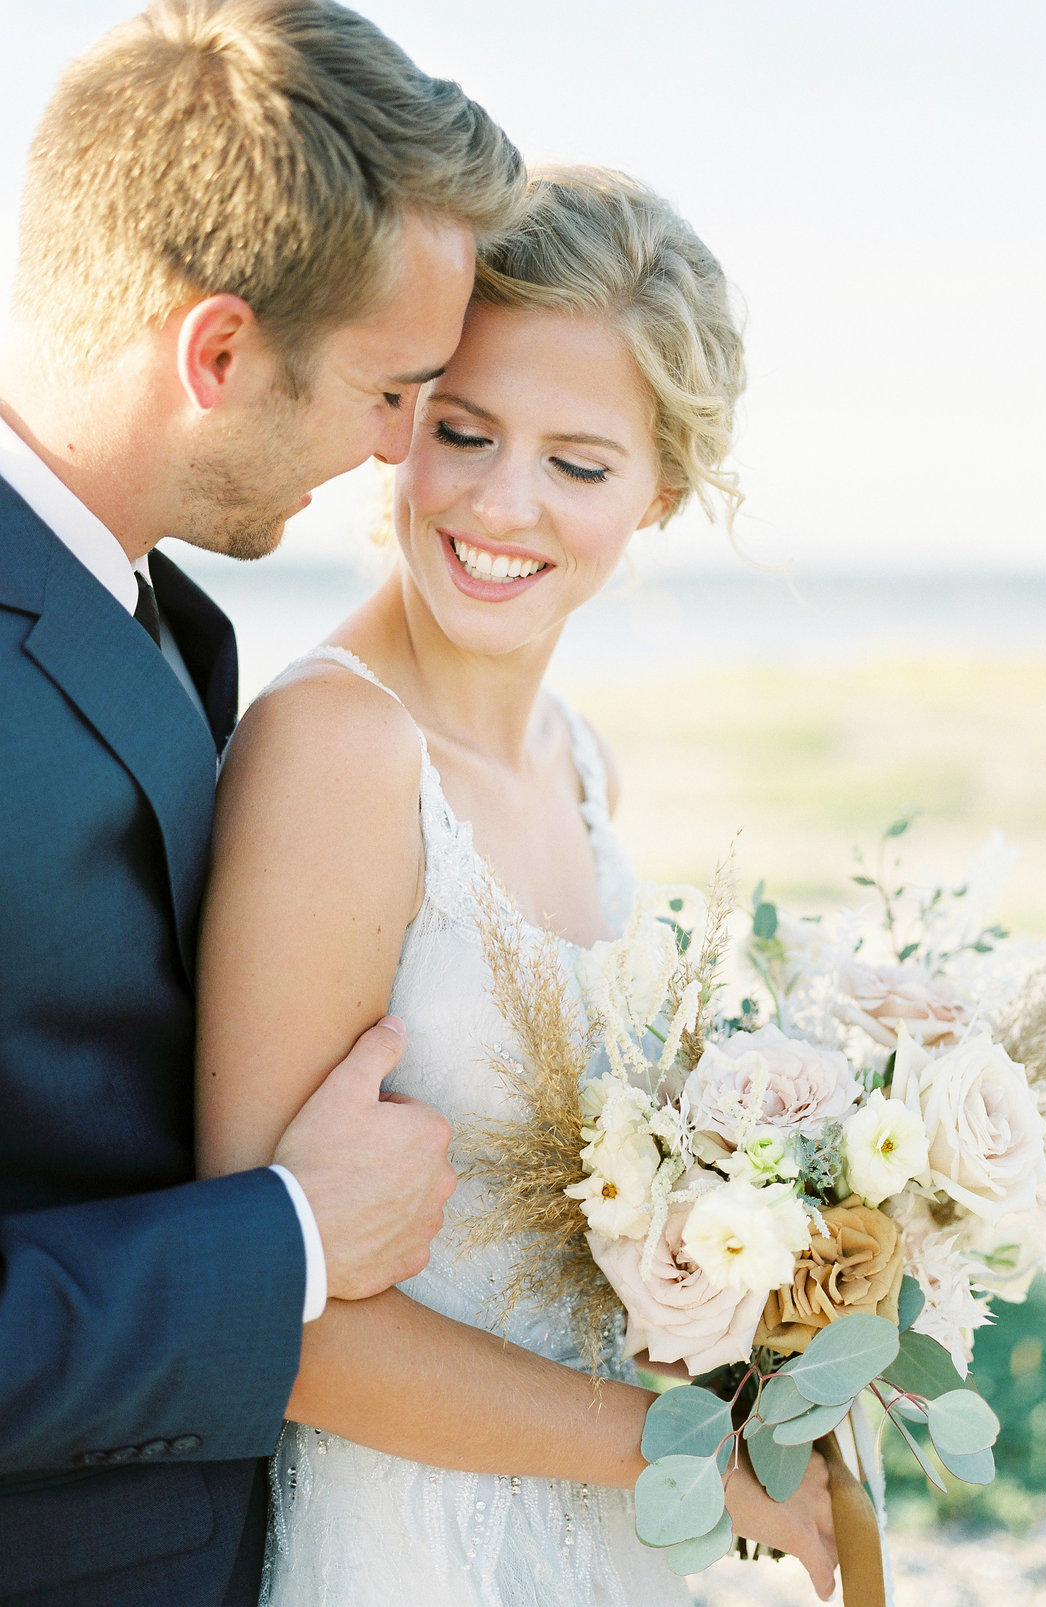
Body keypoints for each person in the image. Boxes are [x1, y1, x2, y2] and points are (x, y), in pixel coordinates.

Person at [196, 168, 839, 1607]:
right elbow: (265, 1313)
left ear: (661, 487)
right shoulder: (337, 753)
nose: (502, 503)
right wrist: (667, 1446)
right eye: (462, 430)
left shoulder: (581, 761)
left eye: (580, 463)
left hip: (594, 1532)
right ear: (398, 416)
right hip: (410, 1544)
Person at [0, 3, 524, 1603]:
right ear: (218, 351)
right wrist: (286, 1242)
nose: (394, 460)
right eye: (388, 393)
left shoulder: (148, 605)